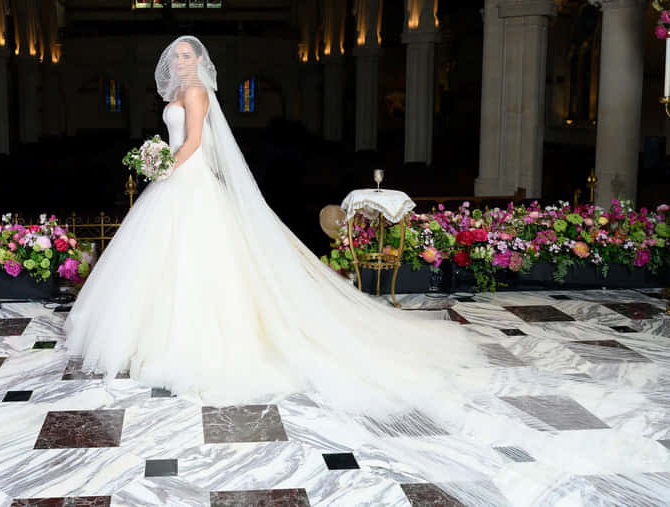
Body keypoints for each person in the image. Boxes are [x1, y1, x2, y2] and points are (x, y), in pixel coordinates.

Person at [64, 36, 485, 415]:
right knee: (161, 259)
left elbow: (193, 142)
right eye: (175, 56)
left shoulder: (196, 93)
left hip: (187, 180)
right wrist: (160, 161)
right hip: (177, 180)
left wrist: (164, 168)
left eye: (187, 55)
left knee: (198, 259)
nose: (179, 62)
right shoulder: (179, 93)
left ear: (200, 62)